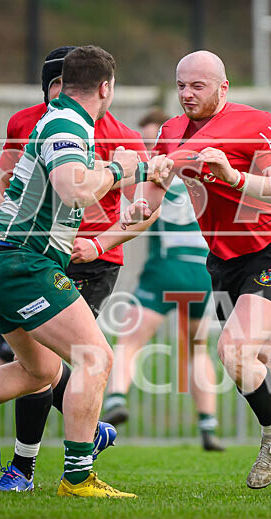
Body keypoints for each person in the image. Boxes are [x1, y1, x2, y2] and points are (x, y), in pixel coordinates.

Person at [0, 45, 172, 499]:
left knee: (40, 370)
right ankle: (76, 476)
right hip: (22, 265)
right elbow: (74, 189)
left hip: (3, 262)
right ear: (106, 88)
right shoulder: (68, 123)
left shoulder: (64, 121)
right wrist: (119, 167)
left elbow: (91, 184)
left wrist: (150, 170)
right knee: (96, 357)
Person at [125, 50, 271, 496]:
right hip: (224, 263)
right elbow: (153, 191)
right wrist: (139, 205)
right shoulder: (171, 131)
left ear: (223, 88)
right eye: (181, 86)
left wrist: (231, 176)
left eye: (198, 86)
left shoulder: (256, 122)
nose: (187, 94)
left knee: (233, 350)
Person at [101, 110, 225, 452]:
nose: (145, 145)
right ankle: (208, 426)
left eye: (149, 138)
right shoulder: (201, 167)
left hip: (166, 269)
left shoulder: (153, 174)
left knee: (128, 341)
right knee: (196, 349)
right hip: (203, 270)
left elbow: (130, 204)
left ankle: (116, 399)